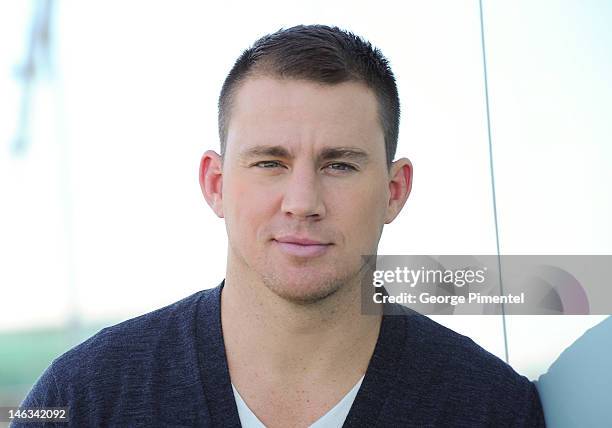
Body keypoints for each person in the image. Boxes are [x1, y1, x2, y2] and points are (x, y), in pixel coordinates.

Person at [16, 24, 545, 427]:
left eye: (339, 164)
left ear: (394, 191)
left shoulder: (492, 408)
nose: (302, 202)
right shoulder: (82, 399)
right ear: (216, 183)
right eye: (270, 162)